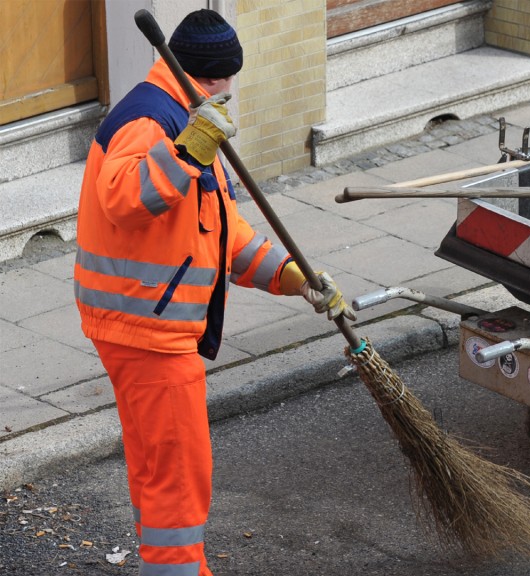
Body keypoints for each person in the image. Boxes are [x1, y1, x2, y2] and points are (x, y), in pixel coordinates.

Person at [73, 9, 348, 576]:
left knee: (161, 468)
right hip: (149, 330)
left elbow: (221, 232)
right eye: (228, 79)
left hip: (149, 323)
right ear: (216, 76)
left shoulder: (185, 115)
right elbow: (122, 199)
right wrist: (188, 151)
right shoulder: (155, 121)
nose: (230, 91)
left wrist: (292, 276)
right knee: (176, 479)